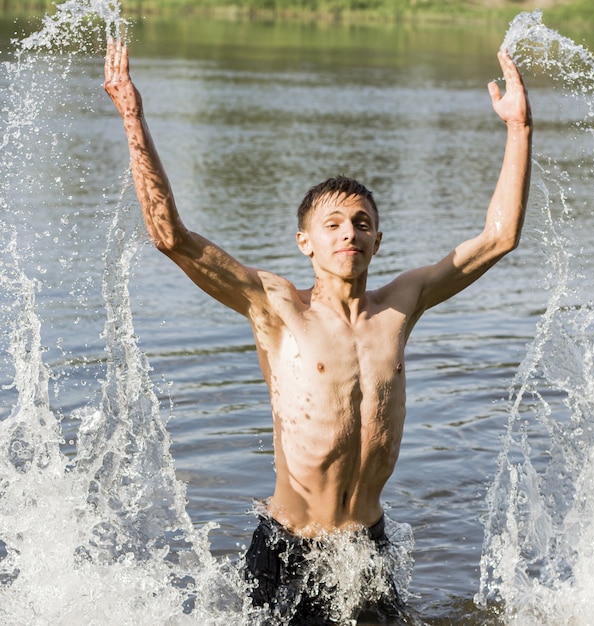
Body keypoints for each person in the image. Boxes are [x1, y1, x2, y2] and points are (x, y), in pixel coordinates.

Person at [104, 39, 532, 624]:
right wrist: (133, 115)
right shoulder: (278, 308)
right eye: (332, 224)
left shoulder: (400, 307)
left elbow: (498, 238)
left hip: (365, 550)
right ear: (306, 242)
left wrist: (519, 129)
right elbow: (170, 236)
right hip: (290, 551)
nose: (348, 233)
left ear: (377, 241)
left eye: (362, 223)